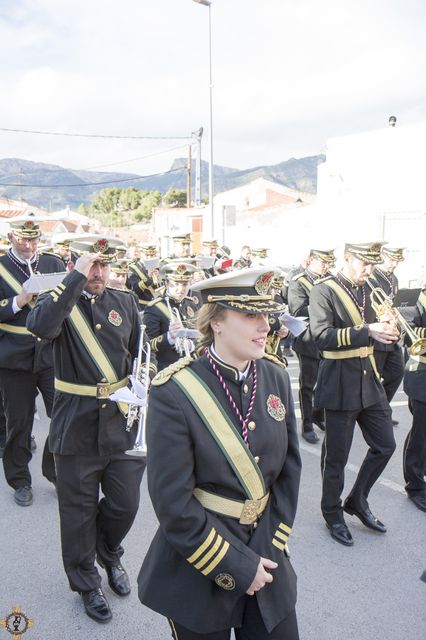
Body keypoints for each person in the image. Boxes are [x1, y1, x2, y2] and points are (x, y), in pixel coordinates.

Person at [138, 267, 301, 640]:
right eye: (251, 315)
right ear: (217, 322)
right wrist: (240, 567)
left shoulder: (275, 375)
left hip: (266, 549)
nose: (266, 326)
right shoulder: (174, 392)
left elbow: (289, 471)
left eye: (267, 314)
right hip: (200, 559)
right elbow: (173, 504)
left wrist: (268, 547)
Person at [27, 236, 154, 623]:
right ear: (77, 264)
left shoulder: (126, 301)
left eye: (103, 266)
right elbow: (41, 328)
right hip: (76, 424)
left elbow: (138, 355)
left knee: (125, 505)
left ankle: (109, 553)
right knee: (78, 513)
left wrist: (140, 383)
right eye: (91, 265)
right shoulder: (58, 302)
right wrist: (74, 279)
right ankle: (86, 582)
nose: (98, 273)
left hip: (122, 423)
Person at [309, 242, 398, 546]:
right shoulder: (325, 290)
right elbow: (321, 337)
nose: (370, 270)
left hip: (369, 381)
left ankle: (358, 499)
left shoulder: (370, 287)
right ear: (347, 258)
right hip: (339, 383)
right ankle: (332, 512)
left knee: (385, 445)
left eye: (373, 264)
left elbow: (381, 327)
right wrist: (368, 331)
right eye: (364, 264)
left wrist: (389, 328)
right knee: (337, 457)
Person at [0, 217, 64, 506]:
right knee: (19, 424)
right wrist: (19, 300)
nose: (29, 245)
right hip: (14, 356)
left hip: (50, 353)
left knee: (63, 416)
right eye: (23, 239)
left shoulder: (52, 263)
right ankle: (20, 480)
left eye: (34, 239)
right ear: (12, 237)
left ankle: (54, 472)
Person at [288, 249, 336, 444]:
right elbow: (297, 310)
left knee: (326, 382)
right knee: (308, 386)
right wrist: (322, 302)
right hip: (308, 339)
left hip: (328, 337)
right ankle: (306, 424)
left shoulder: (330, 280)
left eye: (328, 262)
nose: (326, 266)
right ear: (311, 260)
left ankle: (318, 415)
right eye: (322, 262)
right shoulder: (299, 282)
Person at [368, 246, 405, 426]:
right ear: (382, 256)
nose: (395, 264)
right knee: (374, 377)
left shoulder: (393, 278)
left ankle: (382, 409)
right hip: (378, 334)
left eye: (397, 261)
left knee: (397, 373)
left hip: (392, 335)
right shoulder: (371, 277)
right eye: (392, 260)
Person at [144, 262, 199, 372]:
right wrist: (169, 337)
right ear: (167, 283)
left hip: (192, 365)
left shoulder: (191, 304)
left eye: (185, 284)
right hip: (167, 368)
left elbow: (200, 335)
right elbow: (147, 346)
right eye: (176, 284)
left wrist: (191, 345)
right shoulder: (154, 308)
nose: (181, 289)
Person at [402, 291, 426, 512]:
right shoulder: (418, 302)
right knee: (421, 434)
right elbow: (408, 333)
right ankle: (415, 486)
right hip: (422, 375)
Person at [126, 244, 160, 310]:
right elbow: (134, 290)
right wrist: (148, 276)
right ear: (141, 254)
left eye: (152, 255)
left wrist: (158, 278)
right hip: (141, 306)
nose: (150, 258)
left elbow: (159, 289)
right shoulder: (132, 268)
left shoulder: (157, 268)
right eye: (147, 255)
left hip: (155, 305)